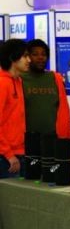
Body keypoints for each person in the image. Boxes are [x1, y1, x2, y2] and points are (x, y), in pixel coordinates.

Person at [22, 39, 70, 138]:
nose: (40, 57)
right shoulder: (20, 79)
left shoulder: (55, 78)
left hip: (53, 137)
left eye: (44, 54)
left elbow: (63, 110)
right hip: (27, 138)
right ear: (27, 57)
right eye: (35, 54)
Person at [0, 39, 30, 178]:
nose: (29, 60)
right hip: (6, 157)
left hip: (20, 153)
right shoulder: (2, 83)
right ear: (13, 57)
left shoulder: (18, 81)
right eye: (24, 56)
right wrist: (8, 154)